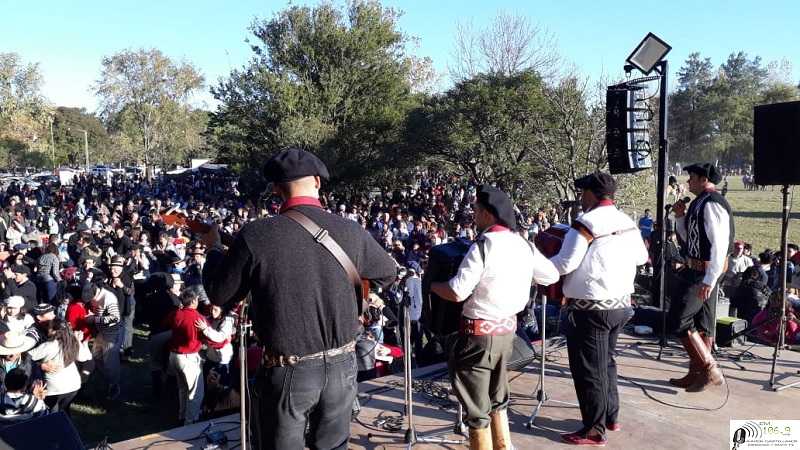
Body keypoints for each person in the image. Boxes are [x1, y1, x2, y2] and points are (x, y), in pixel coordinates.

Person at [201, 148, 397, 450]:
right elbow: (387, 272)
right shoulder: (351, 230)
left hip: (289, 370)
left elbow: (219, 293)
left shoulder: (256, 235)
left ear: (276, 190)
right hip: (344, 363)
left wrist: (214, 250)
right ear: (318, 182)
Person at [430, 185, 559, 450]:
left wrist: (432, 284)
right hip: (507, 333)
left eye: (477, 211)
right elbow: (551, 276)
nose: (474, 215)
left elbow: (456, 291)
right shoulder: (523, 244)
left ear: (489, 214)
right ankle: (504, 445)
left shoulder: (484, 245)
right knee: (497, 396)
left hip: (477, 335)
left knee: (476, 409)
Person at [549, 172, 648, 446]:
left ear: (592, 194)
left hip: (590, 308)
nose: (581, 198)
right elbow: (641, 257)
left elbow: (565, 264)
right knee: (607, 363)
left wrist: (537, 266)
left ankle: (594, 430)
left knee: (589, 370)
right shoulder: (627, 221)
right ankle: (610, 417)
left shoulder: (586, 222)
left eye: (583, 193)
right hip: (619, 305)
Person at [668, 163, 732, 392]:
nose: (688, 182)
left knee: (680, 318)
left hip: (705, 272)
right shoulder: (700, 202)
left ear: (704, 179)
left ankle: (708, 367)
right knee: (702, 323)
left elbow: (720, 244)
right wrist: (680, 217)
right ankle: (697, 373)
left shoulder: (713, 204)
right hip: (696, 269)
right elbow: (692, 239)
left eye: (692, 178)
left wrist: (709, 279)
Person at [167, 286, 206, 425]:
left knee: (182, 389)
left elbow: (168, 322)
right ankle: (190, 422)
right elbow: (206, 335)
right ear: (194, 301)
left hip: (174, 356)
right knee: (195, 393)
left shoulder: (176, 313)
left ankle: (181, 416)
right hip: (189, 357)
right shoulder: (198, 317)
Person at [26, 320, 81, 414]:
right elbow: (82, 357)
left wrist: (40, 365)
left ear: (55, 330)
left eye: (49, 327)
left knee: (52, 416)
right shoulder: (73, 342)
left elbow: (26, 356)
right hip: (74, 385)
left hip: (55, 389)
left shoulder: (50, 345)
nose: (47, 329)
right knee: (64, 412)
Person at [83, 280, 122, 399]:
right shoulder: (91, 293)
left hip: (112, 333)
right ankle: (104, 383)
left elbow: (115, 318)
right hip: (101, 332)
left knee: (110, 363)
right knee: (96, 358)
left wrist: (94, 319)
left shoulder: (108, 298)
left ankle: (114, 386)